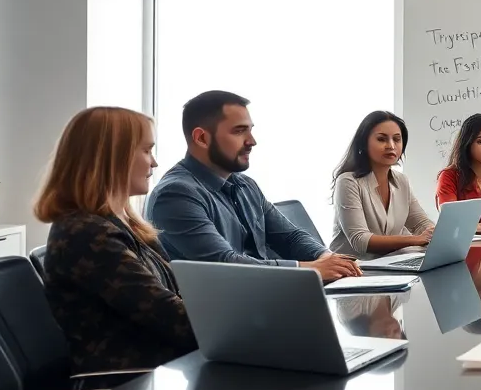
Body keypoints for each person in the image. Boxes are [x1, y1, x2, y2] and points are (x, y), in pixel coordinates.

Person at [36, 107, 197, 373]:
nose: (154, 163)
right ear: (112, 157)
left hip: (161, 370)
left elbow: (178, 292)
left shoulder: (129, 224)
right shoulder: (87, 233)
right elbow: (173, 319)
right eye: (146, 150)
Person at [145, 91, 359, 282]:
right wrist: (311, 269)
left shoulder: (245, 184)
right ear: (202, 138)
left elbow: (290, 237)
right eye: (239, 131)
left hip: (259, 302)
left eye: (250, 130)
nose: (252, 141)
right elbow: (224, 264)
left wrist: (327, 258)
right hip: (219, 315)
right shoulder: (176, 195)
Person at [329, 111, 435, 260]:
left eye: (397, 139)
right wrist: (415, 239)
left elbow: (420, 222)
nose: (391, 146)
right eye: (381, 139)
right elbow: (361, 240)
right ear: (364, 143)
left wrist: (434, 233)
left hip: (390, 264)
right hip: (353, 270)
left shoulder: (401, 181)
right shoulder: (348, 182)